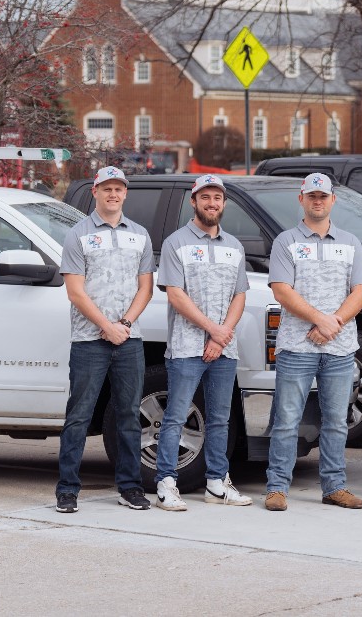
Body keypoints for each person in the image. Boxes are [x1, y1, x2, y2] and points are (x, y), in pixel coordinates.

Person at [264, 173, 362, 511]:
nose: (318, 201)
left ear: (332, 200)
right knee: (286, 419)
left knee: (337, 421)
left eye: (323, 196)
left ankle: (334, 487)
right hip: (297, 346)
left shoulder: (350, 242)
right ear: (302, 199)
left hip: (339, 346)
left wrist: (333, 321)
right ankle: (277, 487)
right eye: (312, 196)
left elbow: (361, 292)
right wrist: (318, 319)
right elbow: (281, 290)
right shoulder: (286, 241)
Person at [55, 166, 154, 513]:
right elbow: (75, 292)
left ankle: (130, 487)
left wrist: (124, 323)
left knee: (129, 415)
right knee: (79, 416)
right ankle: (67, 490)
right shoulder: (78, 235)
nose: (113, 194)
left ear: (125, 193)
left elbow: (146, 287)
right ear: (95, 192)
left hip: (130, 338)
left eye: (119, 189)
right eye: (106, 188)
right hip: (88, 340)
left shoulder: (140, 235)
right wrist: (105, 326)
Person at [154, 174, 252, 511]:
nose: (212, 203)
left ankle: (216, 483)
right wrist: (213, 329)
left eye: (217, 198)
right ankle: (166, 484)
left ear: (224, 203)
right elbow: (176, 295)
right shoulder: (176, 243)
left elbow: (239, 295)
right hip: (186, 347)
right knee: (176, 416)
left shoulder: (234, 246)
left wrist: (222, 334)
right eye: (205, 197)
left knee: (220, 419)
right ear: (193, 202)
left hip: (224, 347)